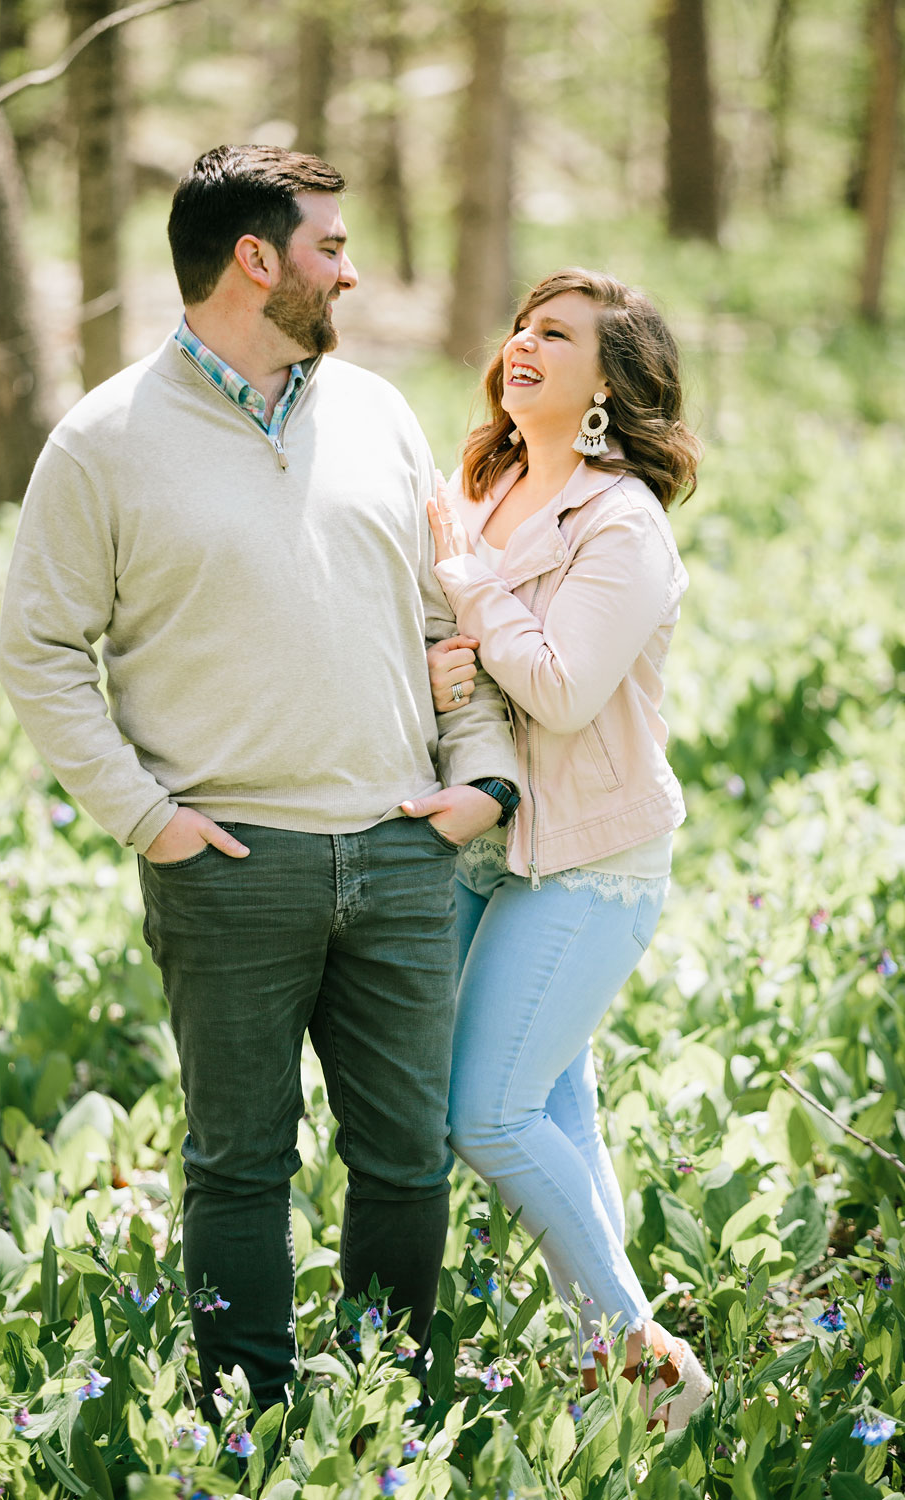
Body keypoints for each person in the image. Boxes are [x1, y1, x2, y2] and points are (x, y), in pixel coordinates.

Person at [0, 143, 520, 1413]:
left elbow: (443, 618)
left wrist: (483, 776)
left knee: (404, 1162)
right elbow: (39, 652)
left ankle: (389, 1409)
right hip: (229, 867)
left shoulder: (382, 415)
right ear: (255, 260)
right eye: (329, 248)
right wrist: (150, 820)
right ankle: (255, 1428)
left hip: (399, 850)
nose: (350, 270)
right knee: (240, 1169)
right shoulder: (102, 441)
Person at [425, 267, 711, 1427]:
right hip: (487, 844)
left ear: (609, 384)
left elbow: (556, 686)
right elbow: (458, 645)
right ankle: (624, 1369)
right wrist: (445, 654)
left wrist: (470, 593)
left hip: (590, 862)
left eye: (559, 334)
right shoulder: (481, 481)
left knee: (484, 1115)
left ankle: (651, 1365)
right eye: (521, 326)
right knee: (553, 1113)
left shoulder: (621, 523)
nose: (523, 344)